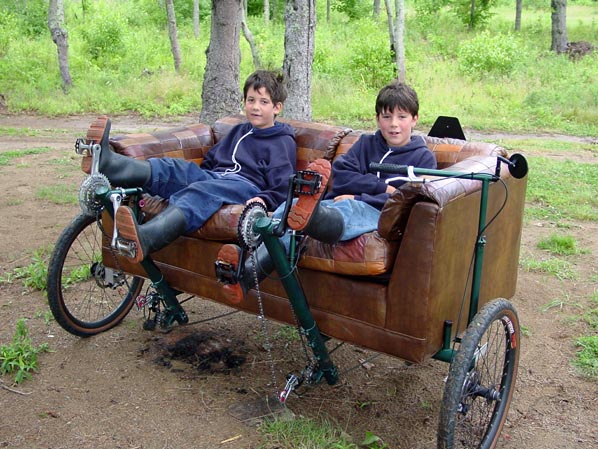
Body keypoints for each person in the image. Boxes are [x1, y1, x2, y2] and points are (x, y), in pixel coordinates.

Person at [216, 80, 437, 303]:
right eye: (387, 117)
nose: (393, 124)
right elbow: (341, 174)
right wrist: (381, 187)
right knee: (288, 208)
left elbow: (405, 199)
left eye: (402, 117)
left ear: (415, 119)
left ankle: (307, 220)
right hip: (338, 203)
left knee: (347, 208)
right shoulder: (366, 144)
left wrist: (360, 195)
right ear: (378, 118)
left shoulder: (422, 158)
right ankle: (243, 280)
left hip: (378, 213)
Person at [88, 70, 297, 263]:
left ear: (277, 107)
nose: (255, 107)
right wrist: (197, 175)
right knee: (173, 169)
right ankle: (110, 166)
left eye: (263, 102)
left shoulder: (282, 142)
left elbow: (283, 187)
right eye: (251, 100)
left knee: (202, 192)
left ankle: (146, 238)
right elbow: (213, 158)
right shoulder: (239, 131)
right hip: (215, 177)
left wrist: (264, 199)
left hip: (245, 187)